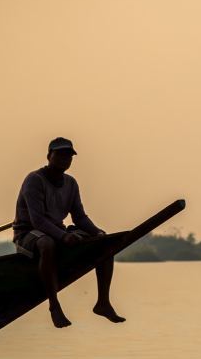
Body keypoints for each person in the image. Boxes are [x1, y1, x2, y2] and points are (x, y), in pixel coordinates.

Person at [13, 137, 125, 328]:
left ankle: (103, 303)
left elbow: (79, 217)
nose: (65, 159)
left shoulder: (71, 183)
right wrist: (63, 236)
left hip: (55, 232)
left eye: (69, 156)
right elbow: (37, 220)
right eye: (60, 154)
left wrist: (97, 232)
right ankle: (54, 305)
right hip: (28, 233)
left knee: (105, 242)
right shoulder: (34, 180)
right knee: (47, 244)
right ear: (49, 156)